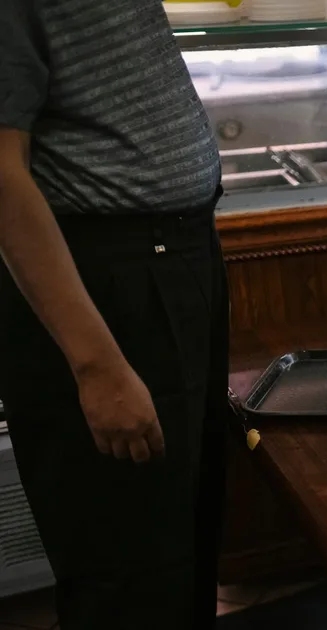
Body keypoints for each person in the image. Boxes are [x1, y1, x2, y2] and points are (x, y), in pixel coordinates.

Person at [0, 1, 228, 628]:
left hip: (172, 260)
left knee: (182, 543)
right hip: (109, 283)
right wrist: (96, 367)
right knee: (130, 571)